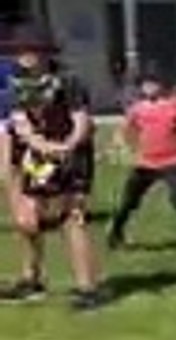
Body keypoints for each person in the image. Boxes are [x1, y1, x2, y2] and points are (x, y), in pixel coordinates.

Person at [2, 27, 105, 310]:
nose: (24, 55)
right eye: (19, 50)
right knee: (28, 219)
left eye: (31, 49)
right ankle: (31, 278)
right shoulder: (18, 82)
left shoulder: (67, 80)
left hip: (71, 154)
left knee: (72, 218)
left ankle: (88, 289)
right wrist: (38, 144)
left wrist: (66, 147)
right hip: (38, 154)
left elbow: (81, 121)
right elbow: (20, 120)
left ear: (46, 53)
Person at [108, 66, 176, 255]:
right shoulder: (137, 109)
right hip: (145, 164)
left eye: (154, 84)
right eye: (145, 85)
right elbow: (122, 130)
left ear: (164, 86)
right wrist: (121, 147)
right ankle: (115, 234)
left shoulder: (175, 104)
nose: (150, 88)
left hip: (174, 161)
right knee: (129, 201)